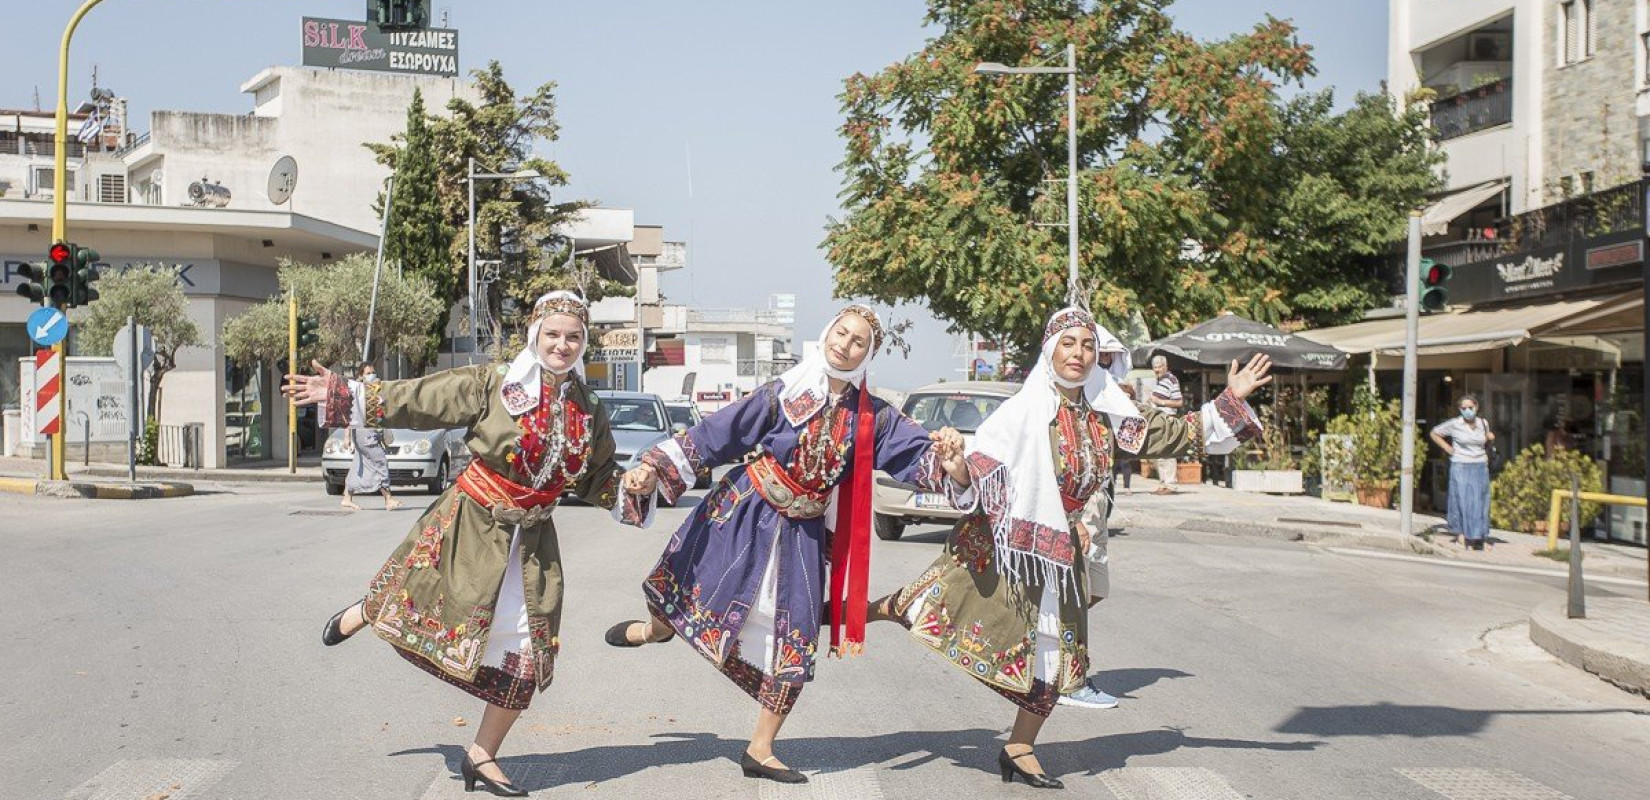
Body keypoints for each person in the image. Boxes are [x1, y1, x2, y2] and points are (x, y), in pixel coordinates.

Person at [871, 307, 1269, 788]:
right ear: (1049, 350)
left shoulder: (1109, 410)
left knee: (1057, 657)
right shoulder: (1022, 410)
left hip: (1062, 552)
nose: (1078, 353)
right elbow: (978, 468)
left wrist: (1231, 399)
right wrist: (955, 467)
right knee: (934, 605)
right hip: (1006, 542)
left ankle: (1018, 748)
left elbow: (1172, 434)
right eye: (1068, 343)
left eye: (1087, 345)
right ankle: (878, 608)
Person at [283, 291, 643, 797]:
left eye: (573, 337)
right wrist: (349, 395)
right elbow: (423, 399)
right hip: (471, 522)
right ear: (535, 335)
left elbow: (595, 477)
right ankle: (370, 609)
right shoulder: (492, 384)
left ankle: (481, 755)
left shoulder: (588, 408)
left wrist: (632, 488)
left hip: (534, 542)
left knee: (528, 648)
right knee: (424, 595)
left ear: (584, 344)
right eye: (553, 334)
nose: (562, 345)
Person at [605, 305, 971, 784]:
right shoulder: (784, 394)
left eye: (858, 341)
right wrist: (652, 468)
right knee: (689, 588)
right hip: (744, 513)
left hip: (803, 533)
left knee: (796, 635)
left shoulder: (874, 419)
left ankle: (760, 748)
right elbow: (717, 434)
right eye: (841, 332)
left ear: (869, 354)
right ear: (827, 333)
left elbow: (922, 463)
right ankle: (654, 632)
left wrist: (954, 462)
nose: (845, 344)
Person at [1058, 324, 1134, 711]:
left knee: (1094, 591)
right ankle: (1065, 672)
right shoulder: (1062, 401)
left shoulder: (1108, 398)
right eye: (1072, 345)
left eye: (1095, 350)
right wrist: (1074, 522)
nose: (1086, 356)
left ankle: (1052, 650)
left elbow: (1146, 434)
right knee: (1073, 592)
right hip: (1075, 507)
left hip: (1098, 499)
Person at [1430, 394, 1495, 551]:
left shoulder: (1483, 423)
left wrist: (1489, 437)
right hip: (1461, 464)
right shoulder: (1455, 424)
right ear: (1459, 410)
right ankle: (1462, 534)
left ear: (1476, 407)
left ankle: (1480, 536)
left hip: (1479, 465)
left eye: (1470, 408)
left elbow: (1486, 440)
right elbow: (1434, 433)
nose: (1467, 411)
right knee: (1463, 501)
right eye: (1463, 408)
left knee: (1480, 502)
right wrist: (1448, 449)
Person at [342, 362, 402, 511]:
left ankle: (346, 497)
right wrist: (346, 437)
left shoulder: (374, 390)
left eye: (373, 372)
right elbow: (350, 415)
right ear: (361, 376)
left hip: (370, 433)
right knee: (380, 462)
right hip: (365, 435)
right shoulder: (358, 391)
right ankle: (388, 499)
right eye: (368, 373)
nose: (371, 375)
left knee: (359, 463)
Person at [1148, 354, 1185, 494]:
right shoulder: (1159, 381)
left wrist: (1160, 402)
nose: (1157, 370)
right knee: (1159, 451)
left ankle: (1170, 484)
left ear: (1165, 367)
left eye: (1159, 367)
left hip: (1168, 418)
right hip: (1158, 419)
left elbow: (1179, 402)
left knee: (1168, 451)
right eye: (1155, 368)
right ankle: (1163, 482)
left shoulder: (1171, 379)